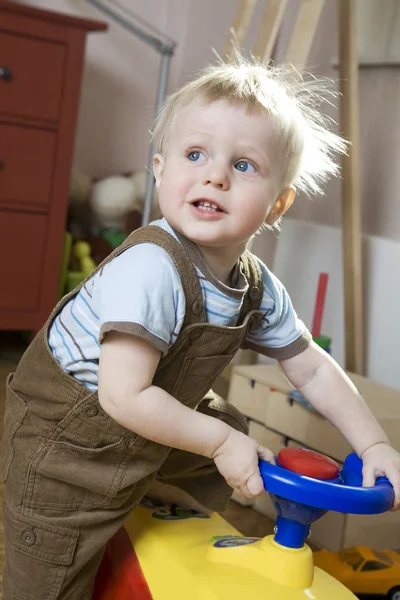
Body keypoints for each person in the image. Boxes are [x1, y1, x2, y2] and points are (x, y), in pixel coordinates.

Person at [3, 58, 399, 600]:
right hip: (67, 449)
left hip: (142, 417)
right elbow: (123, 395)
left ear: (277, 203)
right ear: (160, 170)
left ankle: (153, 496)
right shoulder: (150, 268)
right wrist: (219, 443)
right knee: (47, 582)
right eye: (196, 155)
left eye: (243, 165)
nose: (214, 175)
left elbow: (310, 366)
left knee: (229, 423)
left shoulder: (255, 285)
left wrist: (374, 443)